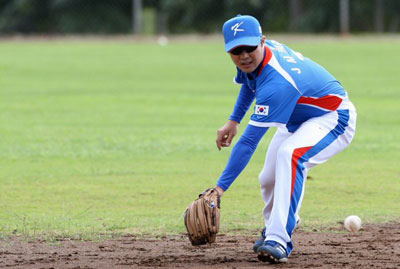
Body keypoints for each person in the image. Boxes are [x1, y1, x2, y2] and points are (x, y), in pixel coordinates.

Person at [213, 15, 357, 263]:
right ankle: (276, 225)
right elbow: (250, 83)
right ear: (228, 51)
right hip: (297, 116)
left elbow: (248, 143)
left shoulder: (278, 83)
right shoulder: (254, 61)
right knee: (268, 178)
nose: (244, 55)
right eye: (237, 50)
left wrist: (219, 189)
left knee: (291, 156)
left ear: (263, 41)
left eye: (249, 48)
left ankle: (279, 239)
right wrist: (234, 120)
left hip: (333, 117)